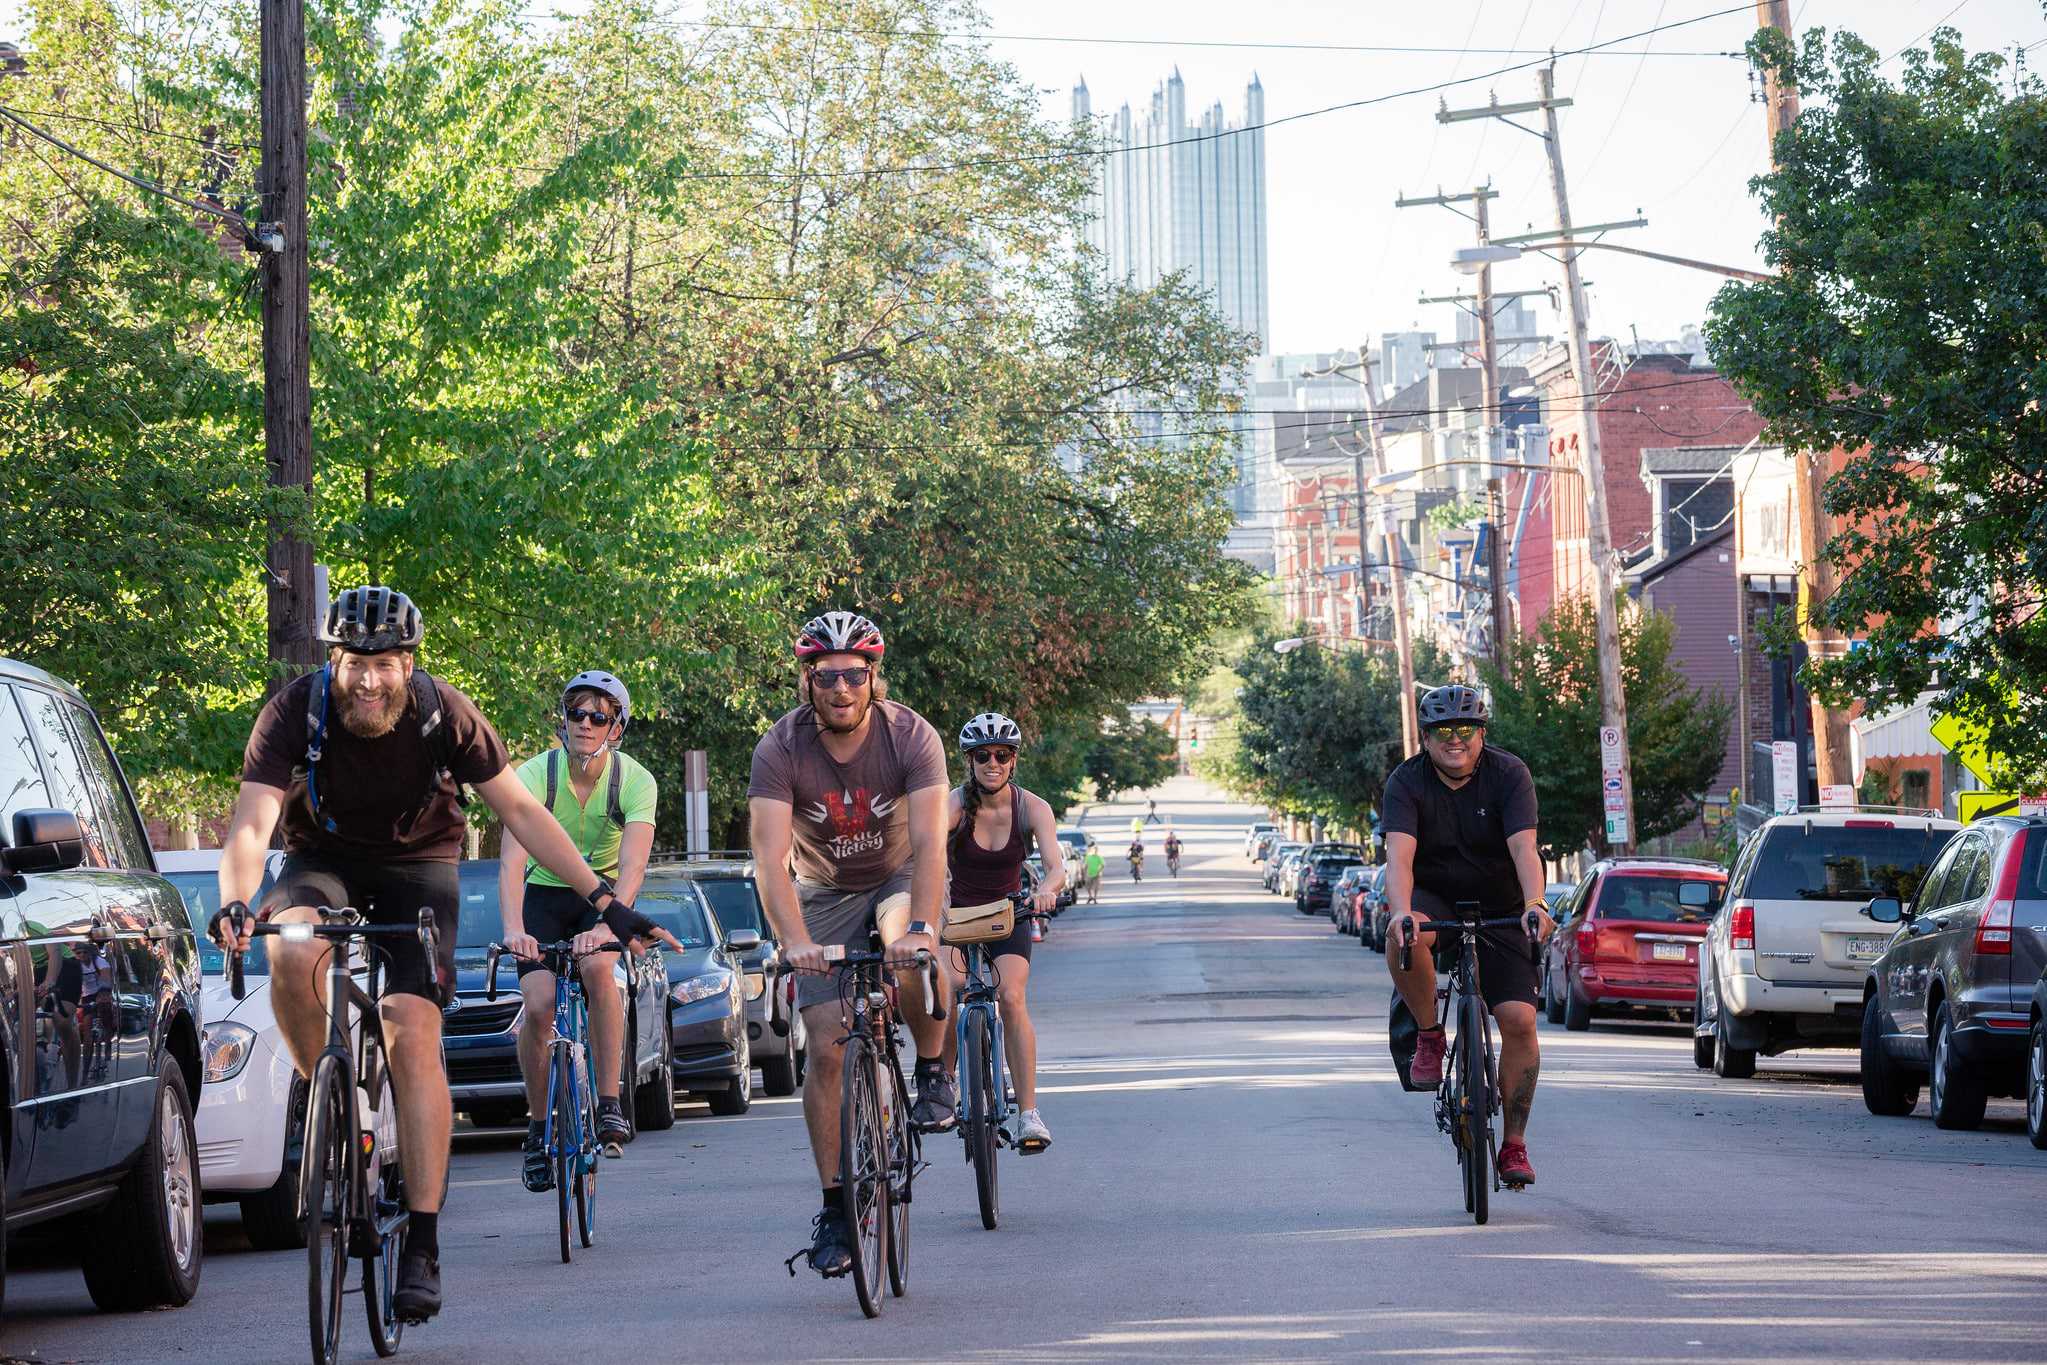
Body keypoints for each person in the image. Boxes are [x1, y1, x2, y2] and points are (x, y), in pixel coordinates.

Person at [211, 586, 663, 1322]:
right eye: (353, 662)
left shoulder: (443, 712)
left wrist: (605, 899)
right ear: (334, 661)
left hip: (420, 863)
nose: (367, 678)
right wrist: (236, 899)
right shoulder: (295, 710)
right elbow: (252, 823)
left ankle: (421, 1239)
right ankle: (335, 1098)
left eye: (383, 663)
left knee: (411, 1029)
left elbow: (520, 810)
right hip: (320, 857)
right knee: (290, 955)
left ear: (407, 663)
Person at [746, 611, 952, 1277]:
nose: (840, 687)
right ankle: (836, 1206)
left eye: (854, 674)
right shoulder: (779, 748)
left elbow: (928, 844)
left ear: (872, 678)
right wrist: (796, 941)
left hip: (897, 876)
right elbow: (769, 861)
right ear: (808, 679)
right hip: (821, 892)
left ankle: (930, 1069)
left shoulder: (911, 735)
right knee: (827, 1046)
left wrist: (921, 926)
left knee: (915, 952)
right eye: (826, 674)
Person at [1382, 684, 1553, 1189]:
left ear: (1481, 734)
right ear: (1427, 737)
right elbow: (1400, 858)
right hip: (1434, 896)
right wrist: (1399, 913)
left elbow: (1525, 850)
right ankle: (1430, 1036)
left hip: (1501, 904)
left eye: (1466, 730)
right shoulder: (1406, 782)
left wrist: (1534, 905)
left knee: (1519, 1021)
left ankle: (1514, 1144)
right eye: (1442, 732)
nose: (1455, 740)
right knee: (1404, 938)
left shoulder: (1509, 774)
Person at [500, 670, 666, 1182]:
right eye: (578, 714)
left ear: (616, 728)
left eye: (600, 717)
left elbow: (634, 866)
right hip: (545, 896)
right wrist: (513, 928)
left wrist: (611, 927)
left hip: (606, 896)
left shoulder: (635, 781)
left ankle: (610, 1100)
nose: (586, 724)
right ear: (564, 720)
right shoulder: (533, 775)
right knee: (540, 1005)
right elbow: (509, 865)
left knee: (598, 969)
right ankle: (536, 1124)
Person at [939, 712, 1064, 1153]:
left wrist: (1046, 891)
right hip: (954, 919)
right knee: (948, 991)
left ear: (1013, 761)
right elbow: (928, 856)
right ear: (969, 761)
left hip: (1008, 917)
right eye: (982, 755)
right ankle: (944, 1086)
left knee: (1010, 996)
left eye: (1002, 755)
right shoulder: (951, 806)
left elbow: (1055, 867)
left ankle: (1029, 1113)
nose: (993, 763)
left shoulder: (1033, 807)